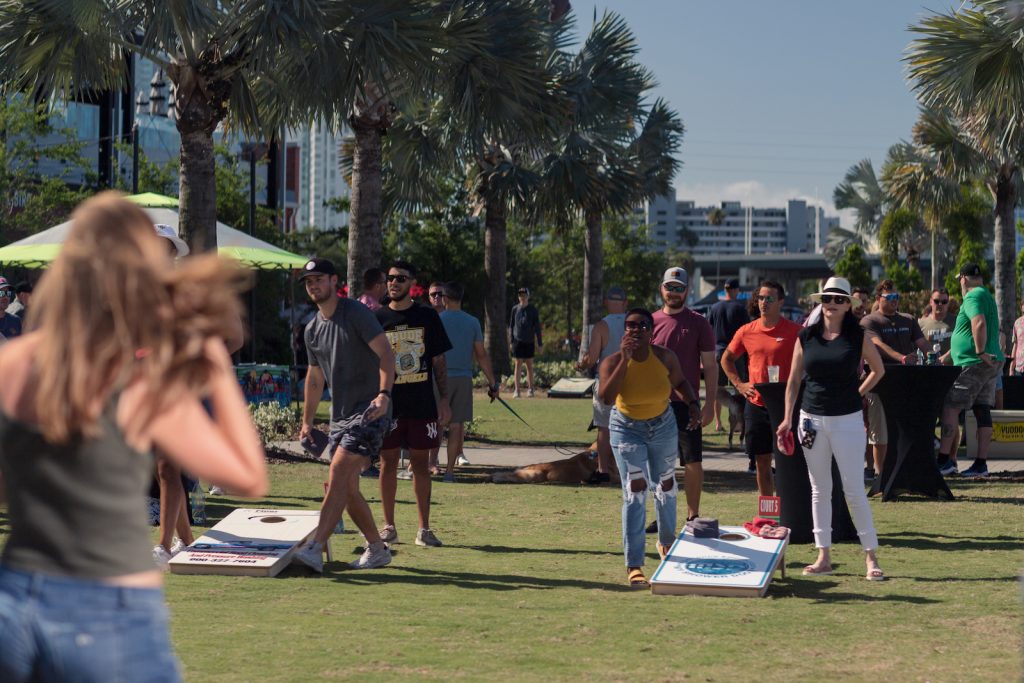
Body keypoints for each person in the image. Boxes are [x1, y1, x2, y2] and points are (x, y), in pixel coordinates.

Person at [0, 192, 267, 681]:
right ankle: (175, 538)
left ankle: (177, 538)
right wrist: (215, 362)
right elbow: (244, 474)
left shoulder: (13, 362)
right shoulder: (134, 376)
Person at [777, 276, 887, 580]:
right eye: (827, 299)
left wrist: (858, 393)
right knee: (819, 489)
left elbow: (878, 370)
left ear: (848, 305)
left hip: (848, 420)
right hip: (810, 420)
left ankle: (871, 557)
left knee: (853, 489)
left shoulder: (858, 335)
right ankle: (823, 555)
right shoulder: (806, 336)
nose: (832, 304)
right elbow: (793, 380)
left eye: (839, 299)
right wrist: (787, 418)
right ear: (820, 302)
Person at [294, 257, 396, 572]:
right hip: (339, 418)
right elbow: (314, 379)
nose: (313, 286)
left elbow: (386, 354)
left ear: (335, 281)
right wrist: (307, 421)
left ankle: (314, 547)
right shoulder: (311, 329)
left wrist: (384, 395)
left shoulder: (356, 314)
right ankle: (377, 549)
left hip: (369, 411)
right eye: (309, 282)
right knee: (348, 488)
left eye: (319, 279)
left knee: (338, 474)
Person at [598, 308, 701, 588]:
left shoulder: (665, 357)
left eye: (642, 325)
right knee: (635, 491)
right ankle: (634, 564)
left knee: (665, 486)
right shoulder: (612, 362)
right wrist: (625, 360)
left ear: (651, 332)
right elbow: (606, 397)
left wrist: (693, 404)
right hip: (626, 428)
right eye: (630, 325)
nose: (635, 329)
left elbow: (680, 382)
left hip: (662, 426)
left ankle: (667, 544)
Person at [375, 261, 452, 547]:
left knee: (421, 465)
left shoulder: (427, 315)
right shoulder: (377, 317)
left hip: (422, 404)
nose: (393, 283)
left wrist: (444, 399)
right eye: (390, 278)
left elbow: (438, 360)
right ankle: (388, 527)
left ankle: (424, 529)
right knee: (387, 463)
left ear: (412, 283)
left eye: (400, 278)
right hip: (390, 405)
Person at [721, 281, 801, 497]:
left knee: (788, 462)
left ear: (781, 301)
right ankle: (768, 513)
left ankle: (791, 511)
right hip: (756, 404)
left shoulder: (795, 332)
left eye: (770, 298)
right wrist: (739, 384)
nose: (764, 302)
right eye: (761, 298)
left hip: (786, 406)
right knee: (762, 460)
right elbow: (726, 359)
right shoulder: (747, 331)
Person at [651, 267, 716, 523]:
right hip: (654, 404)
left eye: (679, 288)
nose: (674, 292)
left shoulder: (699, 322)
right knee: (658, 464)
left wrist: (709, 405)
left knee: (692, 461)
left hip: (687, 405)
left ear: (687, 290)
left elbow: (710, 366)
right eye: (670, 287)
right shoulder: (650, 322)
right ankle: (662, 516)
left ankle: (693, 516)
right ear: (662, 289)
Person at [937, 264, 1004, 479]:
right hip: (991, 362)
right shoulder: (987, 296)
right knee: (981, 409)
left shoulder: (973, 296)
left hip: (974, 362)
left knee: (950, 407)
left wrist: (979, 351)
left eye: (959, 279)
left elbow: (979, 324)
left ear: (964, 278)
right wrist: (945, 358)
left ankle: (943, 461)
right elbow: (965, 332)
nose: (960, 283)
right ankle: (981, 464)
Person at [859, 280, 930, 477]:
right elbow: (877, 345)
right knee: (880, 432)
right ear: (878, 299)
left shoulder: (908, 319)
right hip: (878, 382)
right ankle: (881, 477)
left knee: (904, 430)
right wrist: (902, 358)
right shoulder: (870, 321)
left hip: (906, 383)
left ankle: (904, 474)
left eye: (896, 297)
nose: (894, 301)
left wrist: (937, 358)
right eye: (889, 298)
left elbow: (922, 343)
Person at [439, 281, 499, 482]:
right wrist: (493, 383)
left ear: (444, 299)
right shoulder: (472, 322)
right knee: (456, 426)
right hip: (463, 378)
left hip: (439, 378)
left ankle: (427, 465)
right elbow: (481, 355)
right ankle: (449, 471)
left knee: (434, 423)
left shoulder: (437, 320)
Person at [575, 286, 628, 483]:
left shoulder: (601, 326)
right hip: (629, 381)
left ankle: (603, 470)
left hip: (606, 382)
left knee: (604, 428)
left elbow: (593, 358)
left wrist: (582, 363)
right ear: (625, 303)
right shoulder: (634, 323)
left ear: (606, 302)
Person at [706, 278, 750, 432]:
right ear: (737, 290)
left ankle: (718, 423)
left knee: (718, 388)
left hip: (718, 352)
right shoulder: (741, 308)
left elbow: (708, 331)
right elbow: (747, 332)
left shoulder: (715, 307)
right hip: (735, 353)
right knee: (739, 387)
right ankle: (738, 423)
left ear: (725, 290)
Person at [509, 287, 543, 398]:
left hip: (529, 341)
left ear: (528, 296)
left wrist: (540, 343)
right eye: (520, 295)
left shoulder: (533, 310)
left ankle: (530, 390)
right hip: (517, 341)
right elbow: (511, 325)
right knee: (517, 365)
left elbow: (537, 328)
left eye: (524, 295)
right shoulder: (515, 309)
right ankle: (517, 390)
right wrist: (511, 341)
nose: (522, 297)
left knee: (529, 365)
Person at [1008, 300, 1024, 378]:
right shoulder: (1017, 323)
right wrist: (1011, 368)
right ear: (1022, 307)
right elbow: (1015, 345)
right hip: (1019, 368)